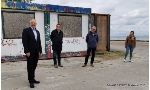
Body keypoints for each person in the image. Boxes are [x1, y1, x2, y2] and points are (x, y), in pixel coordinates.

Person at [22, 19, 42, 88]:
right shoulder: (26, 30)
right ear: (30, 23)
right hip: (29, 52)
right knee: (30, 66)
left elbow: (39, 42)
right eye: (32, 23)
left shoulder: (37, 32)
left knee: (34, 66)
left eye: (34, 23)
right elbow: (24, 41)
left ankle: (33, 78)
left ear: (36, 23)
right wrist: (27, 51)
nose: (33, 24)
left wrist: (40, 51)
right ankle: (31, 81)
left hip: (36, 52)